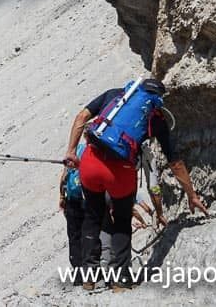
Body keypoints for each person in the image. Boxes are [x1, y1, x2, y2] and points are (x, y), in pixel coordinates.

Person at [63, 77, 208, 291]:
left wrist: (72, 152)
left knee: (93, 216)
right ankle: (120, 281)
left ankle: (89, 277)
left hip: (91, 163)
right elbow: (175, 162)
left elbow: (81, 117)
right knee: (122, 221)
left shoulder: (114, 95)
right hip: (121, 172)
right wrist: (191, 195)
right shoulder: (155, 118)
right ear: (157, 98)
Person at [58, 142, 87, 285]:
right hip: (90, 200)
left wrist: (62, 197)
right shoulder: (98, 151)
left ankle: (78, 275)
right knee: (90, 235)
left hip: (73, 201)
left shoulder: (77, 149)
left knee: (74, 238)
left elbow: (64, 177)